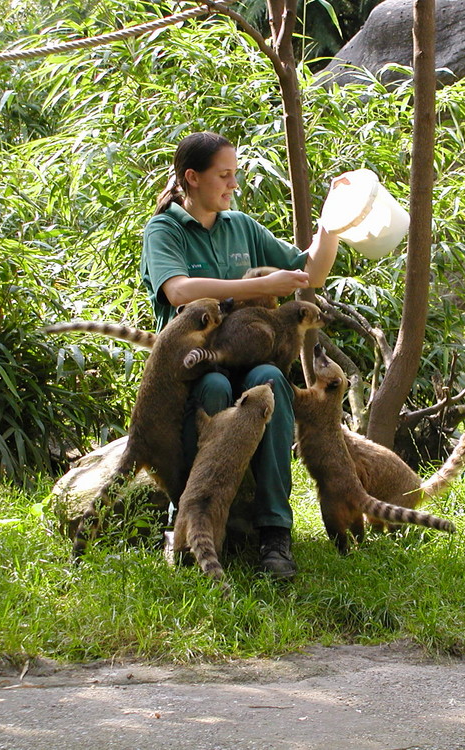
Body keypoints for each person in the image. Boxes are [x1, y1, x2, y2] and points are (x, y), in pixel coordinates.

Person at [140, 131, 341, 579]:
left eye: (235, 174)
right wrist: (258, 288)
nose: (233, 184)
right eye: (224, 175)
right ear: (192, 178)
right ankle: (195, 522)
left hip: (249, 364)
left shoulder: (241, 226)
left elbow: (311, 272)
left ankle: (275, 533)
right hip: (189, 372)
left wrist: (332, 222)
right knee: (212, 384)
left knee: (270, 379)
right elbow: (179, 291)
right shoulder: (165, 229)